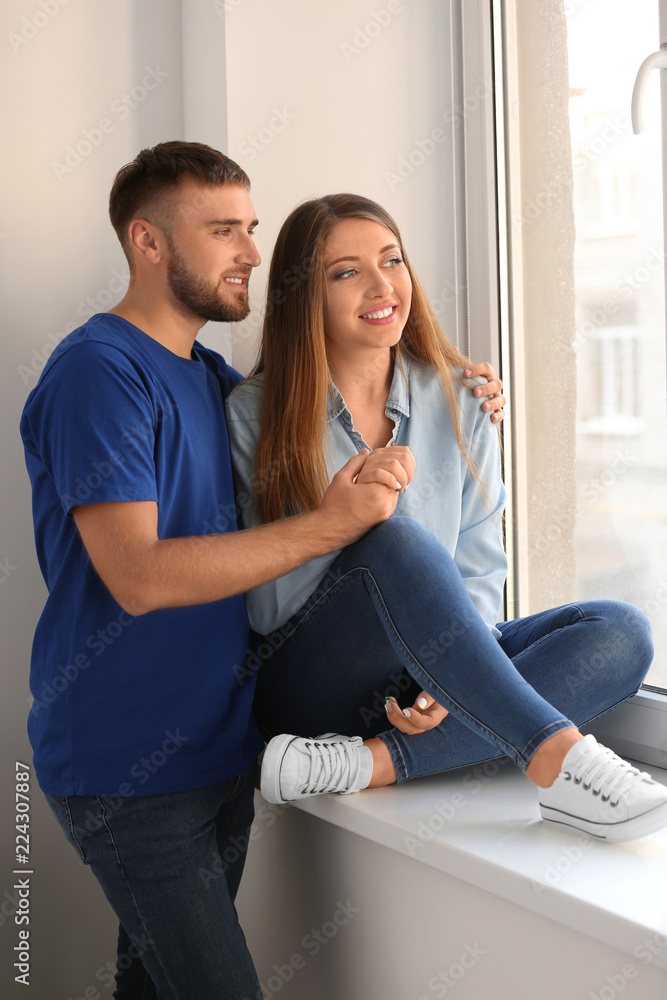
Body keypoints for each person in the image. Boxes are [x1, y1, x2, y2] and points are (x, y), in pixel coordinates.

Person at [19, 143, 504, 1000]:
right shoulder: (99, 374)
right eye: (221, 231)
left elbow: (325, 382)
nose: (250, 252)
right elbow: (136, 577)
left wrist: (453, 381)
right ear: (149, 243)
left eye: (249, 228)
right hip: (127, 764)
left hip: (220, 751)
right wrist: (329, 524)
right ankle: (552, 750)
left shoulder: (208, 380)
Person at [226, 192, 667, 845]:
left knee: (619, 631)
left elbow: (479, 565)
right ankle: (552, 756)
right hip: (314, 683)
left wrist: (447, 677)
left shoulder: (460, 395)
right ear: (303, 296)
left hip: (427, 672)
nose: (382, 286)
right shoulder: (253, 415)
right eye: (346, 272)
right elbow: (262, 611)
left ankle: (368, 764)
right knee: (392, 537)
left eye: (392, 260)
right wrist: (341, 522)